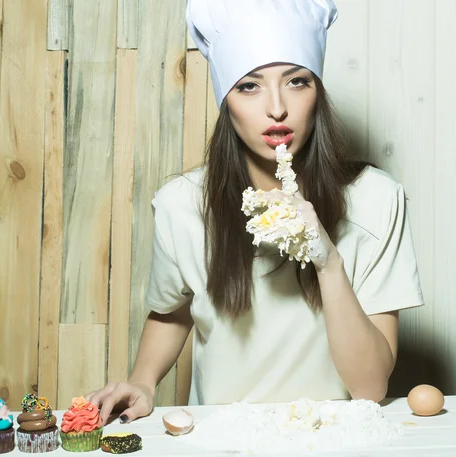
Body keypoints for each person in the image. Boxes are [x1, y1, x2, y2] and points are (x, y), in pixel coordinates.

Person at [86, 0, 424, 424]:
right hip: (218, 438)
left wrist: (328, 260)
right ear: (225, 99)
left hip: (336, 436)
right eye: (249, 86)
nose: (277, 107)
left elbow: (370, 387)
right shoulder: (181, 204)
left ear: (317, 93)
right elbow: (172, 310)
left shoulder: (376, 199)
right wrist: (143, 381)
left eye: (297, 81)